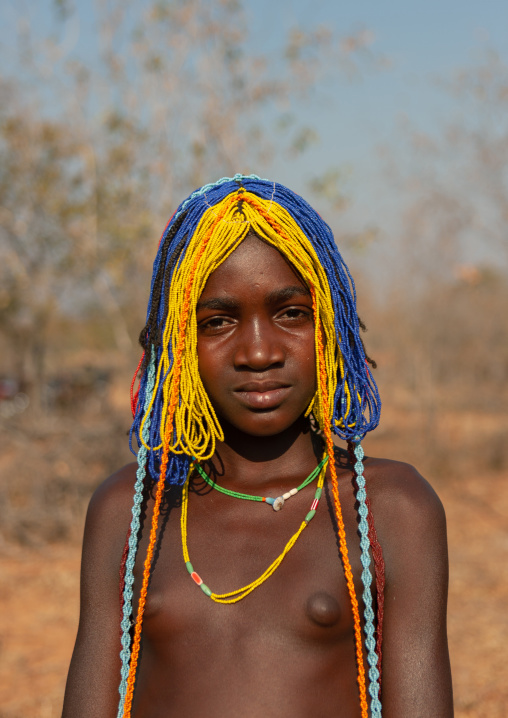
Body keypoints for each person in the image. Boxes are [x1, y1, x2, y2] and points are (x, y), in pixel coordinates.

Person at [62, 175, 453, 718]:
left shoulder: (388, 507)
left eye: (291, 313)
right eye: (218, 321)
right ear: (179, 342)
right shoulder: (131, 508)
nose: (259, 352)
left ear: (332, 326)